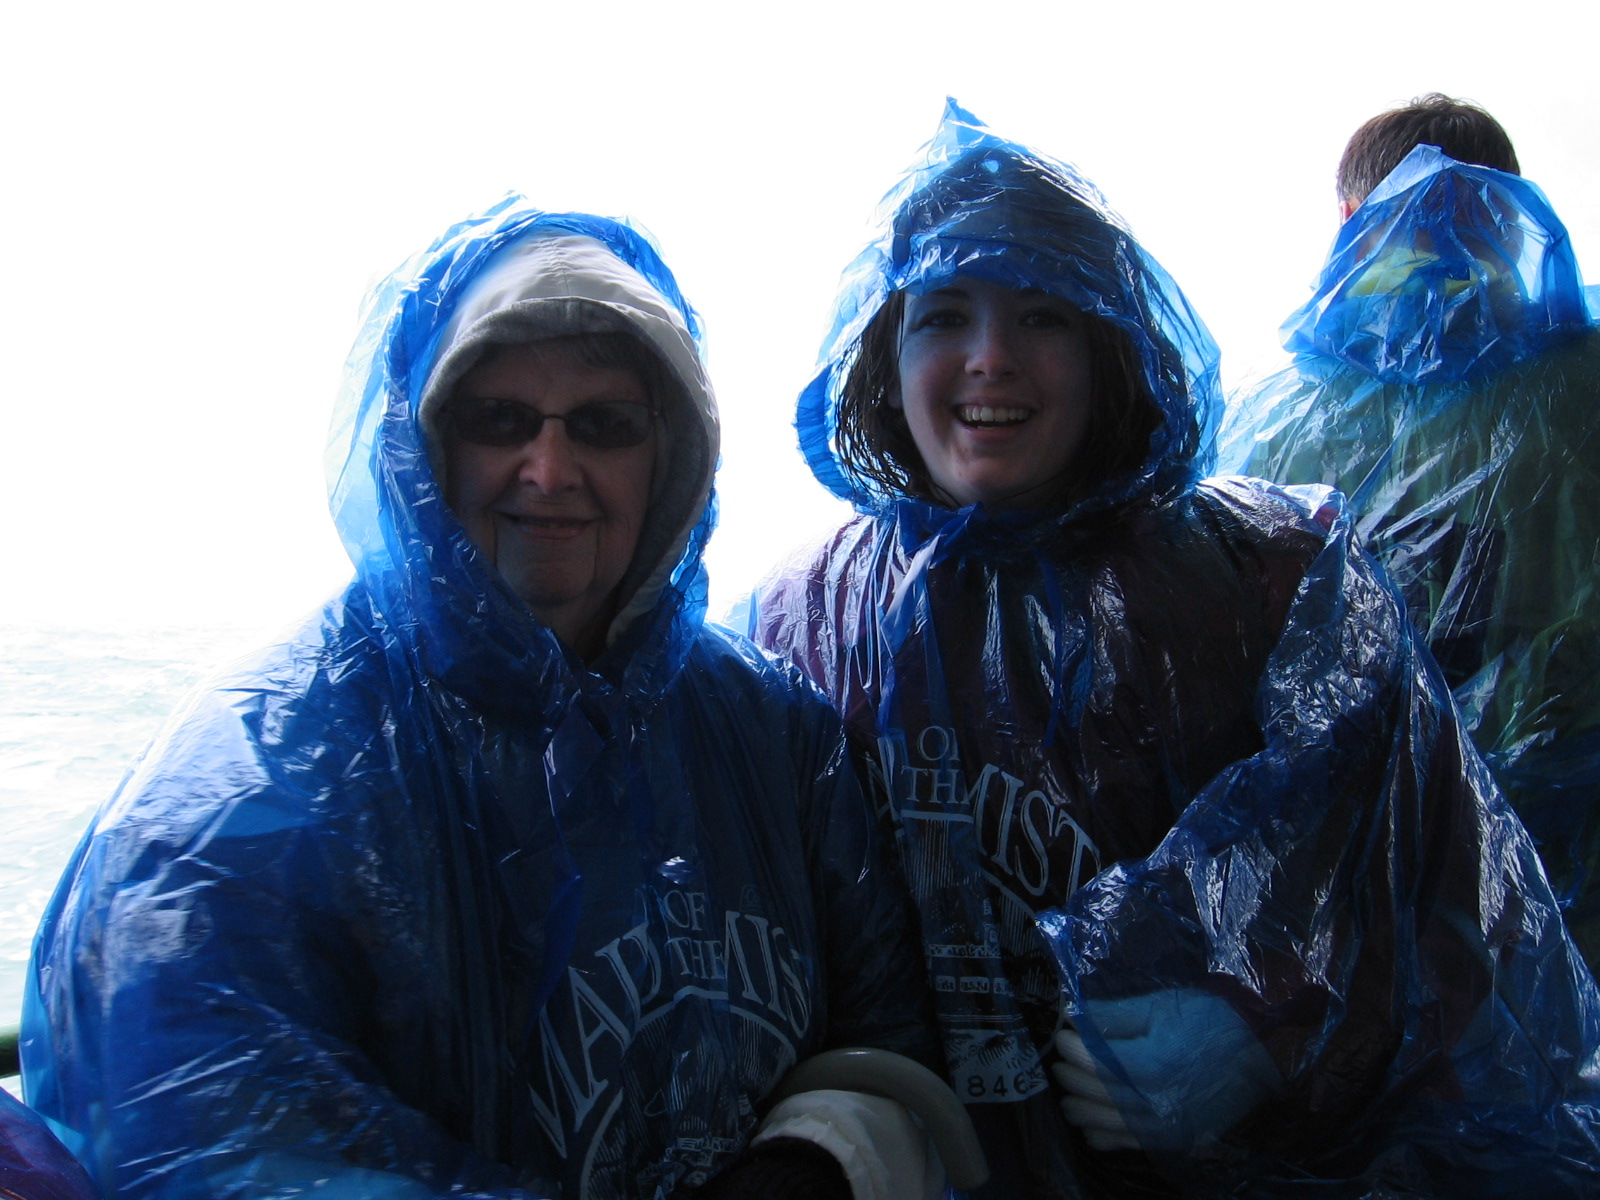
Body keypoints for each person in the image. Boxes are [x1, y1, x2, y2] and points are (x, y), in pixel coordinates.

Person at [746, 101, 1600, 1198]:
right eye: (941, 315)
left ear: (1109, 343)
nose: (989, 360)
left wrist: (1272, 1034)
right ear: (882, 350)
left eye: (1044, 316)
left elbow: (1456, 910)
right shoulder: (804, 618)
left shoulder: (1275, 572)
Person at [20, 199, 952, 1200]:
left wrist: (821, 1154)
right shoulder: (249, 791)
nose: (549, 472)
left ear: (671, 457)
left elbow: (892, 1020)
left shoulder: (769, 735)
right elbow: (216, 1139)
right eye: (497, 420)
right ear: (419, 451)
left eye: (604, 425)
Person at [1220, 94, 1600, 971]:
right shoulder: (1582, 397)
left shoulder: (1269, 418)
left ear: (1349, 223)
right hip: (1561, 866)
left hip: (1343, 872)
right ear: (1516, 213)